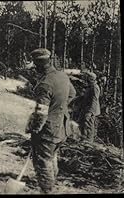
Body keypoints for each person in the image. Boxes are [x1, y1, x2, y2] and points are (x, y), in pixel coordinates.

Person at [25, 48, 76, 194]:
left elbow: (41, 114)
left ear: (38, 64)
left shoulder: (45, 84)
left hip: (48, 131)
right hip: (62, 128)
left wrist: (34, 130)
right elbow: (72, 94)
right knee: (52, 157)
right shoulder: (62, 76)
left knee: (43, 161)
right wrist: (59, 107)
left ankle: (47, 190)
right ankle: (51, 184)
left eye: (35, 65)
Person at [79, 71, 100, 143]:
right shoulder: (90, 87)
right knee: (85, 124)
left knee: (89, 126)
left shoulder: (95, 88)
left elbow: (94, 101)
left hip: (91, 110)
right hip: (87, 108)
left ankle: (89, 142)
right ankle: (85, 139)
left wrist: (90, 112)